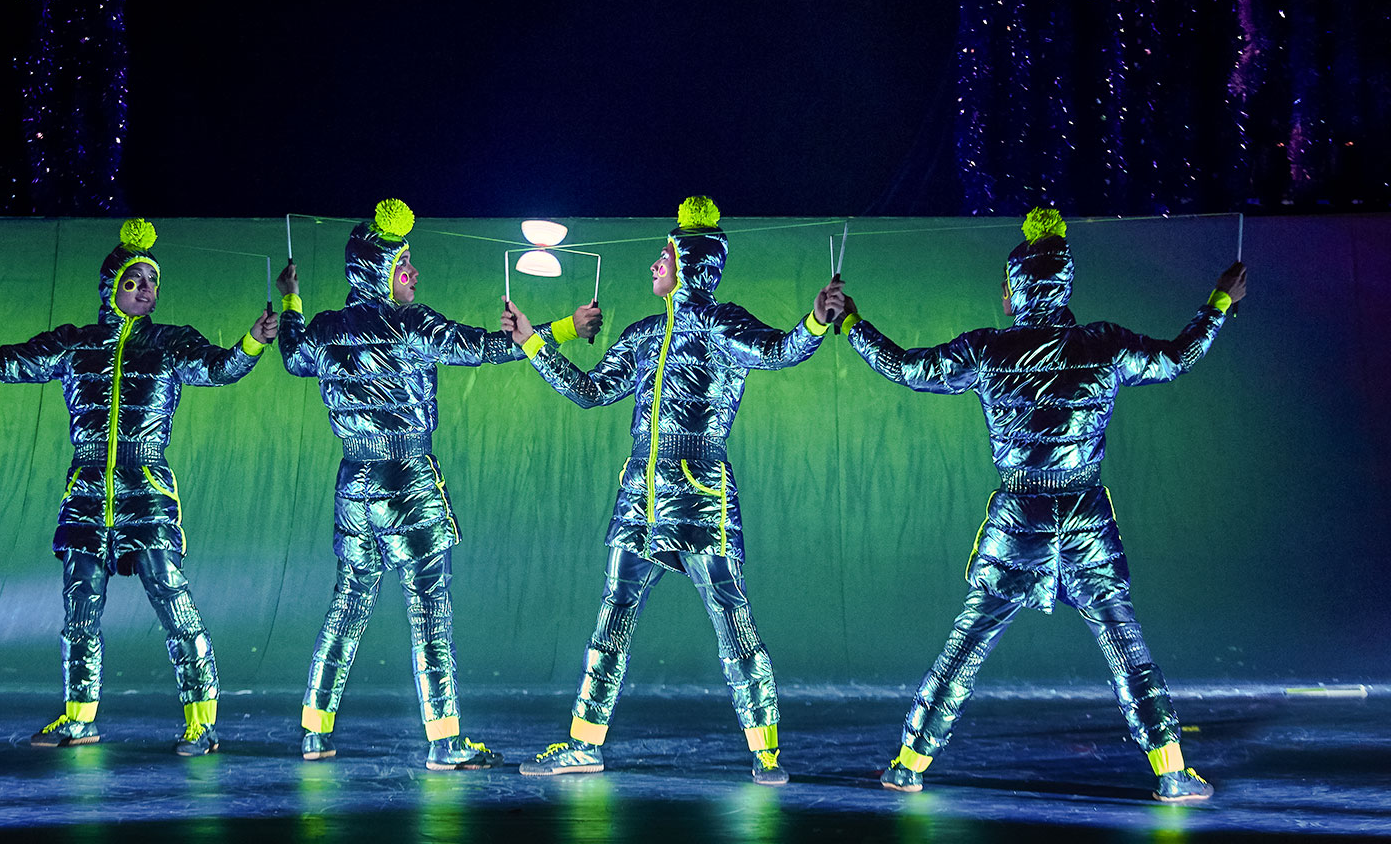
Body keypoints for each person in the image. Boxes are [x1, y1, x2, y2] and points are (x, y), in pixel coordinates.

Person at [842, 207, 1247, 802]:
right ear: (1062, 286)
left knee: (969, 642)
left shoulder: (987, 350)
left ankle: (908, 763)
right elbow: (1176, 357)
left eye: (1005, 286)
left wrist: (851, 324)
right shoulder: (1104, 343)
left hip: (1019, 518)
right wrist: (1217, 304)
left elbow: (908, 367)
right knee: (1125, 646)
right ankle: (1170, 770)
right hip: (1085, 518)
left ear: (1015, 291)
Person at [501, 195, 846, 786]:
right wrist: (535, 340)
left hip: (702, 495)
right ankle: (584, 743)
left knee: (732, 618)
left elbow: (782, 352)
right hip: (640, 496)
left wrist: (815, 320)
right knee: (614, 614)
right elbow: (590, 391)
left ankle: (766, 751)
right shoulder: (640, 333)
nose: (654, 266)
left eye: (664, 256)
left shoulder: (725, 324)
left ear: (690, 262)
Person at [0, 219, 277, 755]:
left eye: (152, 282)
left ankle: (202, 719)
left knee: (174, 602)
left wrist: (254, 339)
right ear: (112, 288)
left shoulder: (172, 344)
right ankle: (78, 717)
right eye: (134, 281)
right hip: (86, 494)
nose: (146, 291)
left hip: (145, 488)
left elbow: (220, 369)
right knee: (80, 610)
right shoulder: (73, 345)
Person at [277, 198, 599, 770]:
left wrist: (293, 302)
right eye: (405, 264)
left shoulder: (325, 328)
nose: (414, 273)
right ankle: (444, 739)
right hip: (407, 480)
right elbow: (484, 347)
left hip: (352, 484)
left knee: (347, 603)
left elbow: (294, 357)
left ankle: (314, 730)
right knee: (429, 609)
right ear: (380, 272)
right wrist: (565, 329)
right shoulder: (412, 323)